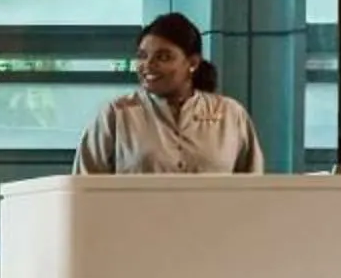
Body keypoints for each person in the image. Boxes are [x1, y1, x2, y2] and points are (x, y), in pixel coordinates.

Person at [73, 11, 264, 175]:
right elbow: (83, 191)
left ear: (193, 63)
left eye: (163, 57)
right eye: (142, 56)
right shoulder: (116, 115)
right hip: (136, 219)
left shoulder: (230, 115)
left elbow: (254, 191)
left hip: (215, 219)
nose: (147, 65)